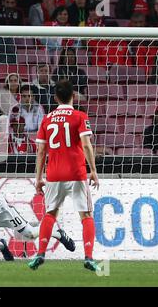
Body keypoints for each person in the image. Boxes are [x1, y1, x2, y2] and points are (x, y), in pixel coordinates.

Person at [28, 79, 100, 272]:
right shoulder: (79, 116)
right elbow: (86, 144)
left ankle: (40, 253)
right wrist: (93, 171)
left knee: (50, 213)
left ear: (55, 98)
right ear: (73, 96)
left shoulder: (47, 118)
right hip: (76, 173)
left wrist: (38, 178)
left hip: (54, 174)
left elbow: (41, 151)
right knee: (86, 215)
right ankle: (89, 257)